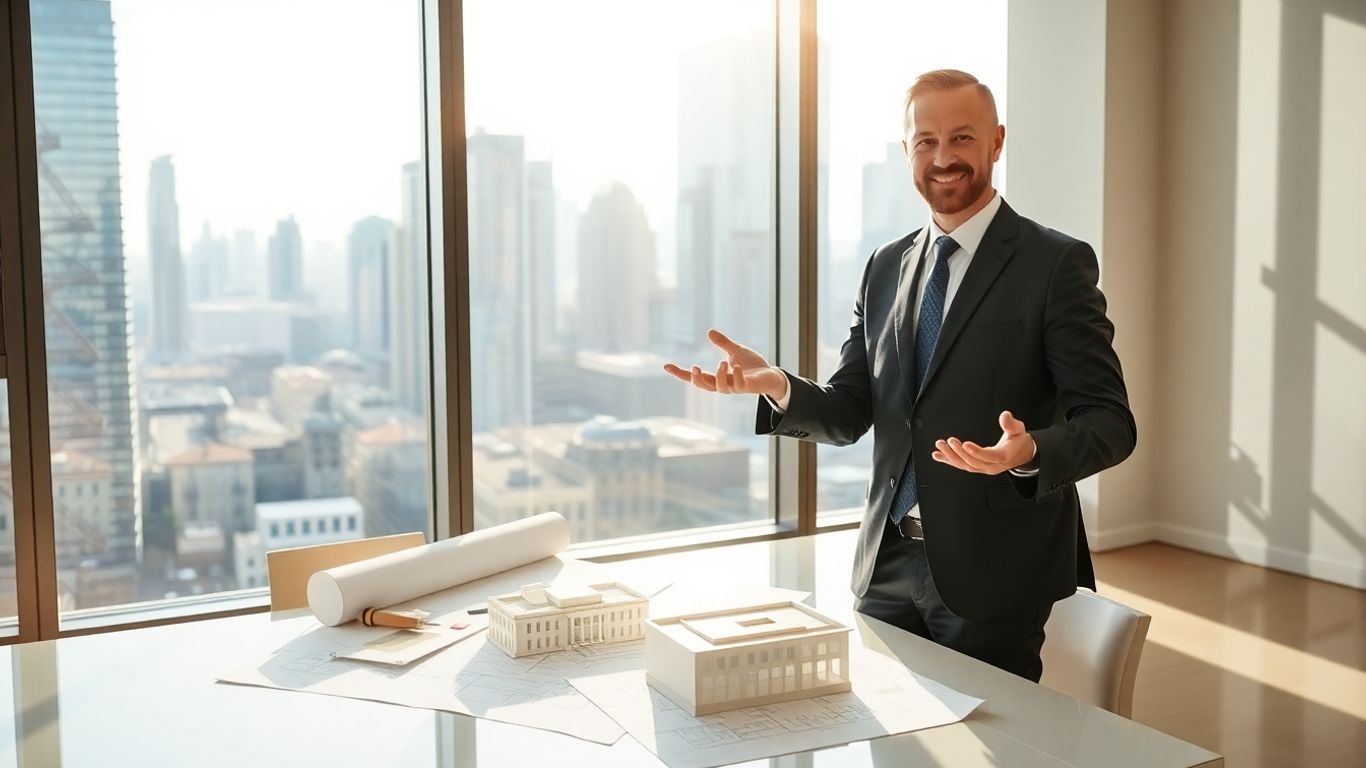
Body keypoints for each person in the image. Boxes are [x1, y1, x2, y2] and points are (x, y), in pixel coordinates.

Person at [663, 69, 1135, 682]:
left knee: (986, 731)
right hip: (884, 564)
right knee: (884, 724)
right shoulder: (885, 266)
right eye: (925, 141)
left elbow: (1110, 422)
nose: (943, 158)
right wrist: (777, 385)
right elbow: (850, 410)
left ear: (996, 141)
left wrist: (1029, 453)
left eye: (962, 138)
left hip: (995, 568)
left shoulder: (1055, 263)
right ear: (907, 150)